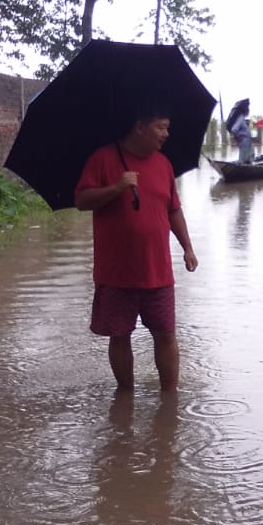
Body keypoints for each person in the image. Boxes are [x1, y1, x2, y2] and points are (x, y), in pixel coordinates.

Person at [74, 109, 198, 393]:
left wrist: (188, 247)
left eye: (168, 127)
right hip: (116, 272)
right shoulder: (103, 159)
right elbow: (81, 200)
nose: (166, 134)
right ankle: (125, 394)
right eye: (161, 127)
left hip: (158, 271)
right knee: (119, 336)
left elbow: (173, 210)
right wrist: (117, 187)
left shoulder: (164, 164)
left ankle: (170, 398)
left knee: (166, 335)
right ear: (140, 127)